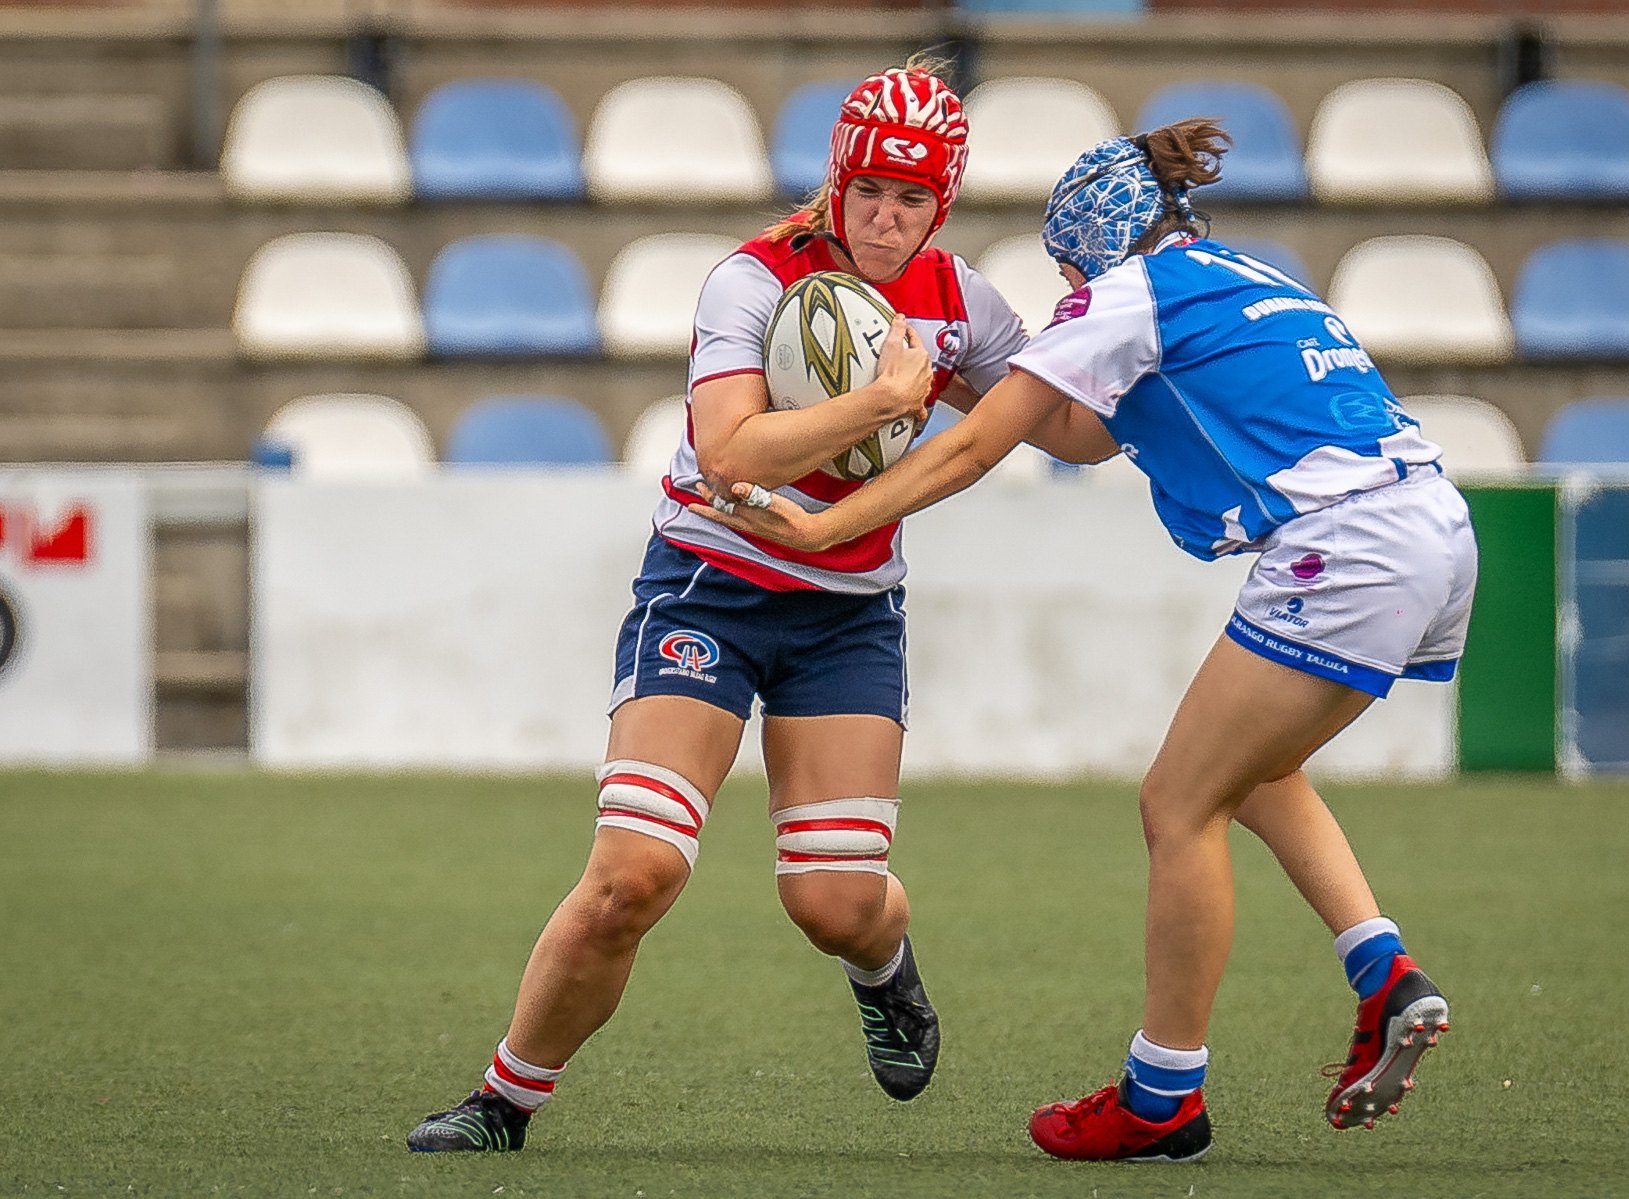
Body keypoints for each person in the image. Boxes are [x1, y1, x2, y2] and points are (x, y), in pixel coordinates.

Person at [695, 119, 1475, 1164]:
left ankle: (1162, 1094)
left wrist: (827, 525)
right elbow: (1085, 428)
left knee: (1178, 804)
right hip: (1436, 524)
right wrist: (956, 369)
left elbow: (977, 448)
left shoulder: (1126, 294)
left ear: (1092, 249)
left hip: (1347, 546)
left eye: (1066, 270)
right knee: (1254, 770)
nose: (1066, 291)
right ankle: (1383, 971)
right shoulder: (1247, 274)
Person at [404, 62, 1078, 1153]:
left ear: (942, 205)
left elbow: (1072, 430)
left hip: (848, 617)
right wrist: (883, 399)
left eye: (911, 199)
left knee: (834, 902)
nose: (885, 217)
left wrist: (1126, 328)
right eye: (868, 190)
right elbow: (728, 451)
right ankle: (502, 1101)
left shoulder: (961, 302)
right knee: (634, 875)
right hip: (708, 589)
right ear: (838, 180)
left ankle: (886, 966)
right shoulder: (753, 279)